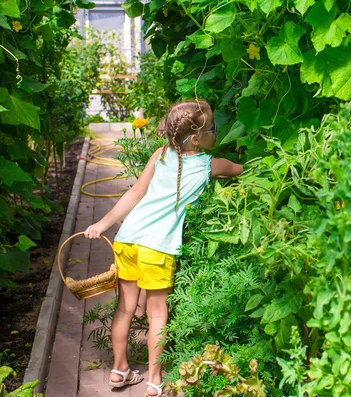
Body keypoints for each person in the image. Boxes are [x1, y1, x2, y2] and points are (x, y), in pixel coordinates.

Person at [83, 100, 244, 397]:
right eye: (213, 129)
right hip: (157, 247)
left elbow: (134, 193)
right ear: (196, 138)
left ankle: (119, 371)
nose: (216, 132)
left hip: (128, 239)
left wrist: (102, 224)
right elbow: (243, 169)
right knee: (158, 316)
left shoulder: (160, 155)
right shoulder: (211, 165)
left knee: (125, 309)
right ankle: (154, 382)